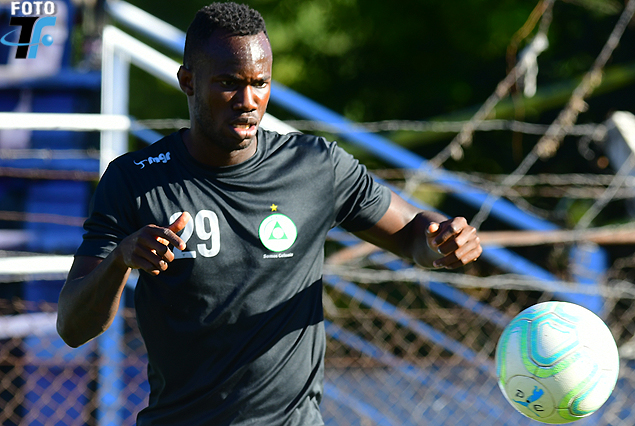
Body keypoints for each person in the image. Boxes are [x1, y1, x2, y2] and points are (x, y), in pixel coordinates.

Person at [56, 3, 482, 425]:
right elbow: (73, 328)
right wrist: (121, 260)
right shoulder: (134, 180)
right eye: (228, 83)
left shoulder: (316, 166)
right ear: (188, 81)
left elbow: (410, 233)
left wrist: (442, 241)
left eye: (260, 83)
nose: (248, 101)